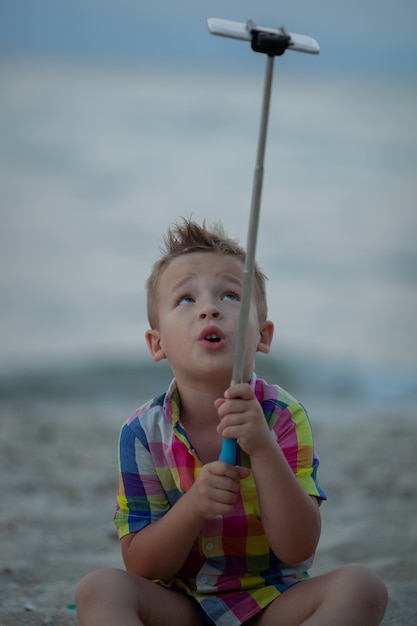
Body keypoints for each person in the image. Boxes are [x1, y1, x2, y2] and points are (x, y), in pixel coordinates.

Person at [76, 219, 387, 626]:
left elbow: (297, 548)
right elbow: (142, 566)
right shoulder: (142, 433)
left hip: (272, 602)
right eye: (185, 299)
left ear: (263, 335)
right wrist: (194, 507)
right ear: (157, 344)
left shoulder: (282, 416)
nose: (210, 307)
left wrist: (263, 448)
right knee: (100, 588)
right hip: (182, 606)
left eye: (230, 294)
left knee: (363, 587)